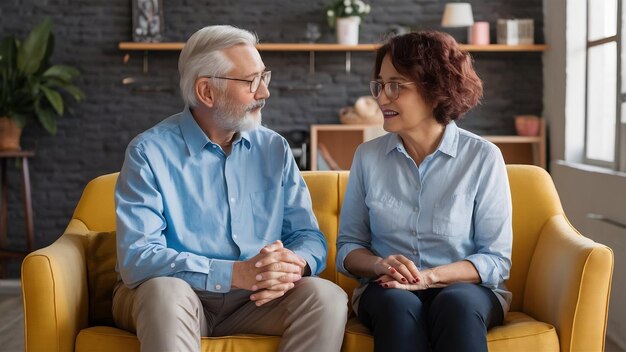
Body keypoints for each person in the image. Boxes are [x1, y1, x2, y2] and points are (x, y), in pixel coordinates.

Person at [113, 25, 348, 352]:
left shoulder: (275, 150)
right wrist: (233, 273)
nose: (264, 92)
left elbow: (308, 236)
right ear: (206, 92)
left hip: (256, 300)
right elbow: (137, 257)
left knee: (327, 297)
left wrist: (293, 263)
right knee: (164, 292)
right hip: (176, 295)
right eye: (251, 81)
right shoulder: (148, 153)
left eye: (264, 77)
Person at [336, 30, 512, 352]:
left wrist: (430, 277)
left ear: (435, 88)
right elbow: (349, 248)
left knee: (456, 304)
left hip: (465, 289)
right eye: (380, 84)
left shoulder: (483, 157)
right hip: (386, 289)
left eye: (395, 86)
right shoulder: (368, 157)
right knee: (396, 305)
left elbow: (495, 260)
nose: (381, 98)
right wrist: (380, 265)